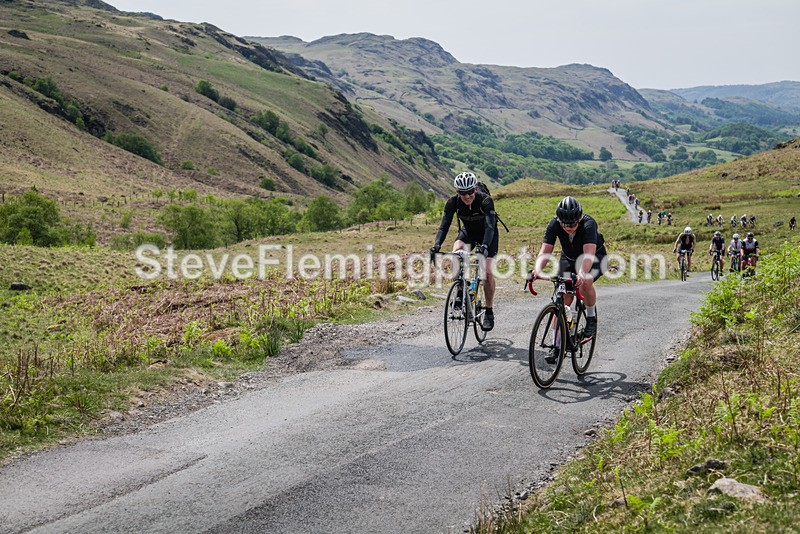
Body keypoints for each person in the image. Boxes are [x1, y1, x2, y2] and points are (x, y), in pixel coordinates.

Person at [531, 196, 605, 346]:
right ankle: (555, 343)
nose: (568, 227)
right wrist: (537, 270)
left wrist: (582, 274)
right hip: (569, 258)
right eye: (564, 224)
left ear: (579, 219)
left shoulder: (589, 224)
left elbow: (589, 254)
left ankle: (591, 318)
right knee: (565, 296)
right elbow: (545, 251)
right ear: (559, 220)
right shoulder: (554, 224)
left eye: (572, 223)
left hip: (594, 257)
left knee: (586, 282)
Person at [431, 171, 498, 331]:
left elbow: (490, 226)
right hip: (468, 232)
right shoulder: (453, 202)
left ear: (475, 189)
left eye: (470, 192)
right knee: (456, 253)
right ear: (457, 192)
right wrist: (437, 245)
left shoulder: (485, 201)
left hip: (488, 235)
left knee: (487, 272)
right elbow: (444, 225)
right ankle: (460, 289)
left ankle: (488, 311)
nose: (467, 196)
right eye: (463, 193)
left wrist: (485, 247)